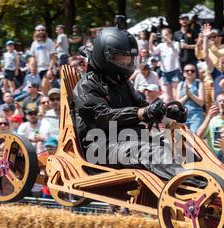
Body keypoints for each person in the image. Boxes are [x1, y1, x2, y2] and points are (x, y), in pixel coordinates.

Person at [73, 25, 192, 182]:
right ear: (105, 58)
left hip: (130, 140)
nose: (126, 64)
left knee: (182, 146)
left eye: (129, 60)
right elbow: (102, 117)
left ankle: (220, 182)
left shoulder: (122, 83)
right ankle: (199, 185)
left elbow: (144, 106)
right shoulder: (86, 86)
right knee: (152, 152)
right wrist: (142, 113)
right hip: (100, 147)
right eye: (121, 60)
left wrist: (168, 112)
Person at [149, 28, 181, 103]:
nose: (164, 37)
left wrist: (168, 40)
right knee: (168, 96)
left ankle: (178, 111)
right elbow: (152, 52)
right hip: (164, 73)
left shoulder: (176, 43)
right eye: (163, 35)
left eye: (166, 34)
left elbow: (176, 51)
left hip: (175, 71)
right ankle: (170, 112)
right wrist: (150, 40)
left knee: (176, 95)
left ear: (171, 35)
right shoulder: (161, 45)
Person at [175, 63, 204, 133]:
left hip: (196, 116)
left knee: (194, 138)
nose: (190, 72)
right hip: (182, 116)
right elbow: (177, 104)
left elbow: (201, 103)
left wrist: (190, 94)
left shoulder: (199, 83)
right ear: (183, 73)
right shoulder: (180, 84)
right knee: (182, 140)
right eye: (187, 71)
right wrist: (187, 96)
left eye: (192, 71)